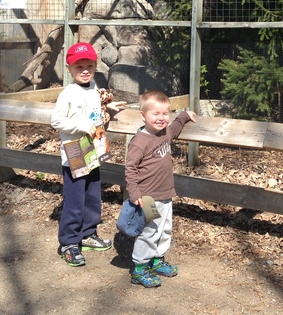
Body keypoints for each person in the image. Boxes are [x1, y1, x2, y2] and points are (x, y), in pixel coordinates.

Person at [51, 42, 126, 267]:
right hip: (75, 151)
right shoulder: (68, 93)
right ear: (69, 69)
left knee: (93, 195)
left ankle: (88, 233)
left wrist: (109, 107)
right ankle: (69, 243)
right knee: (75, 200)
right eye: (79, 67)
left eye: (89, 66)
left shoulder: (93, 87)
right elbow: (57, 121)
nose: (85, 71)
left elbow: (93, 108)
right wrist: (83, 126)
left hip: (93, 149)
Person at [125, 90, 197, 287]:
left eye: (165, 113)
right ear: (143, 115)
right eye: (155, 114)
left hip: (165, 194)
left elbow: (175, 127)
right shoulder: (140, 141)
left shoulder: (165, 133)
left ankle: (156, 260)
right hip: (148, 197)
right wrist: (134, 192)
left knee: (165, 229)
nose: (161, 118)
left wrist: (184, 115)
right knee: (149, 231)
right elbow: (130, 169)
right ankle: (140, 268)